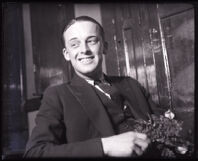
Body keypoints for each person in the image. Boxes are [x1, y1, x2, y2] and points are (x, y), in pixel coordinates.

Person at [24, 16, 161, 158]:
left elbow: (163, 129)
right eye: (75, 44)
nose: (84, 50)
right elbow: (34, 153)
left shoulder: (131, 84)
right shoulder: (57, 96)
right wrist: (104, 146)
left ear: (104, 47)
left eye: (91, 41)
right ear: (66, 54)